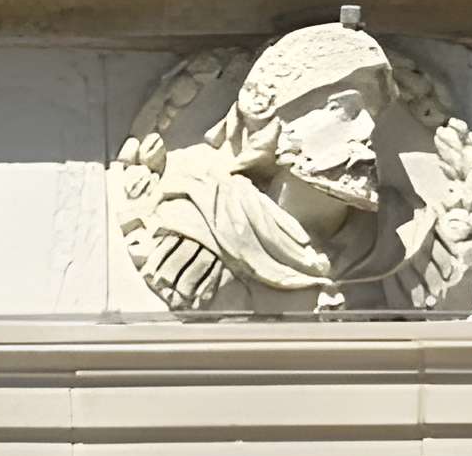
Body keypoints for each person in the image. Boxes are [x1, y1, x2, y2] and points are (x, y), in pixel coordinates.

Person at [134, 19, 432, 313]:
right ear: (277, 124)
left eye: (373, 114)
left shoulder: (404, 231)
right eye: (344, 110)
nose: (368, 132)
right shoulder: (203, 223)